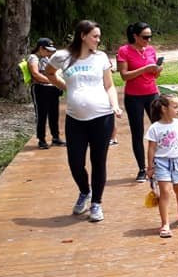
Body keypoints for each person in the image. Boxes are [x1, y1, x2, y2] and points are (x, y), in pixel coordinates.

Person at [45, 20, 123, 223]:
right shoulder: (62, 56)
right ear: (82, 36)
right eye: (95, 36)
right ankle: (84, 191)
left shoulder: (101, 58)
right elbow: (50, 73)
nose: (98, 40)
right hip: (75, 119)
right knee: (75, 162)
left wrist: (114, 105)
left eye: (99, 36)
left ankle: (96, 203)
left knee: (98, 162)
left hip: (102, 117)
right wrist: (65, 87)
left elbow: (109, 85)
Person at [117, 22, 162, 182]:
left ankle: (159, 165)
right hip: (134, 96)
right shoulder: (124, 51)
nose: (148, 40)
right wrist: (144, 69)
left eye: (150, 36)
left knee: (159, 129)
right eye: (145, 37)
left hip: (152, 93)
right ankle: (142, 169)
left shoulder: (150, 50)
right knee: (137, 133)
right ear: (135, 36)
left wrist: (156, 71)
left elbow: (153, 76)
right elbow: (124, 75)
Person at [146, 94, 178, 238]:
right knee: (165, 191)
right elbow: (151, 148)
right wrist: (150, 167)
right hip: (161, 162)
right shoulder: (155, 128)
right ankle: (165, 224)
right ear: (164, 109)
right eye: (175, 107)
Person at [26, 37, 64, 149]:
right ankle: (41, 140)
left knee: (54, 114)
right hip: (40, 89)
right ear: (41, 48)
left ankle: (56, 137)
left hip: (53, 89)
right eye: (47, 50)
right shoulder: (33, 57)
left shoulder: (47, 58)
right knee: (41, 115)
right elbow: (35, 74)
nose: (49, 52)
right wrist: (52, 80)